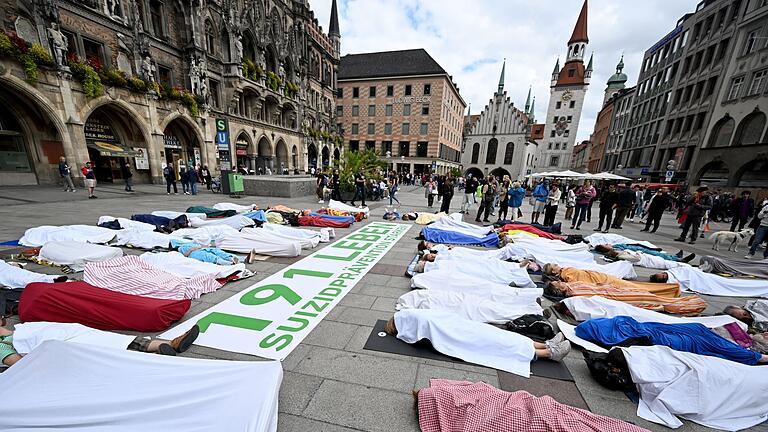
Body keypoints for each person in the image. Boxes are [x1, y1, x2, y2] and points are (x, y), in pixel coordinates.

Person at [575, 316, 768, 365]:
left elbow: (621, 321)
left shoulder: (594, 325)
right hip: (651, 337)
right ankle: (756, 357)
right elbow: (622, 336)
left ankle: (746, 352)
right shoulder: (593, 330)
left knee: (697, 329)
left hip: (646, 328)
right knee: (702, 343)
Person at [1, 323, 201, 367]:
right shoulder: (2, 346)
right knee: (106, 347)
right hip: (63, 349)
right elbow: (18, 364)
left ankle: (168, 345)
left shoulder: (22, 328)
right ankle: (159, 352)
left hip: (70, 334)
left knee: (112, 339)